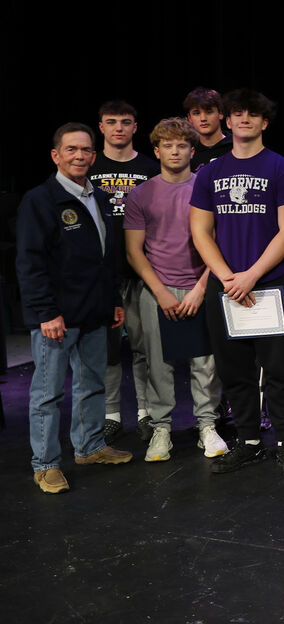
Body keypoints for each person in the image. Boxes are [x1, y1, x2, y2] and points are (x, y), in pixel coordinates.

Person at [189, 88, 284, 478]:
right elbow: (200, 231)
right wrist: (227, 277)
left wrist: (252, 275)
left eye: (252, 114)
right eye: (237, 113)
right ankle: (249, 442)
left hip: (271, 283)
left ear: (264, 123)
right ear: (227, 120)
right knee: (234, 370)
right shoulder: (210, 172)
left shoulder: (281, 169)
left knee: (279, 369)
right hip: (226, 287)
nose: (244, 119)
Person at [18, 123, 132, 493]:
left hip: (94, 311)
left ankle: (89, 447)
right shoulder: (40, 200)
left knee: (92, 384)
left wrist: (113, 301)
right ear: (56, 155)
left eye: (85, 150)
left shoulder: (99, 198)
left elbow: (106, 258)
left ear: (94, 156)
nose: (79, 156)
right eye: (71, 149)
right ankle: (45, 465)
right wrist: (45, 312)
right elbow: (30, 263)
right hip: (56, 317)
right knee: (48, 394)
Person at [123, 117, 228, 462]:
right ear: (156, 151)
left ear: (192, 150)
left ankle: (207, 426)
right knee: (158, 363)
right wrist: (160, 291)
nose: (175, 151)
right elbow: (134, 251)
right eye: (167, 145)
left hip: (201, 285)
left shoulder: (206, 188)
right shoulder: (141, 194)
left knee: (205, 363)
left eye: (182, 145)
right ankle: (161, 429)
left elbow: (217, 242)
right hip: (158, 288)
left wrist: (201, 288)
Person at [89, 100, 160, 444]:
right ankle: (111, 415)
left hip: (141, 272)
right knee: (107, 350)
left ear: (135, 127)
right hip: (102, 276)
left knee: (144, 348)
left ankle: (146, 413)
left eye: (126, 122)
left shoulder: (150, 168)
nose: (119, 127)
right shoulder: (89, 167)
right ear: (101, 127)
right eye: (112, 121)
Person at [184, 87, 233, 168]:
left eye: (209, 112)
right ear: (190, 118)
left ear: (221, 113)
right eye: (197, 113)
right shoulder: (186, 151)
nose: (203, 118)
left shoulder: (237, 146)